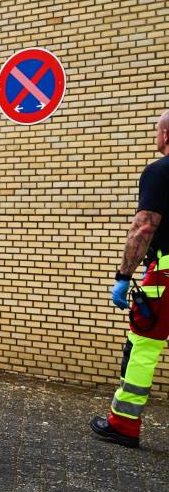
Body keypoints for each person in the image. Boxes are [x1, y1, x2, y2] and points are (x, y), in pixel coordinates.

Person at [90, 110, 169, 448]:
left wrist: (123, 275)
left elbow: (145, 227)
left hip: (165, 276)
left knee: (142, 347)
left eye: (156, 131)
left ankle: (123, 424)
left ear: (165, 135)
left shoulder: (160, 171)